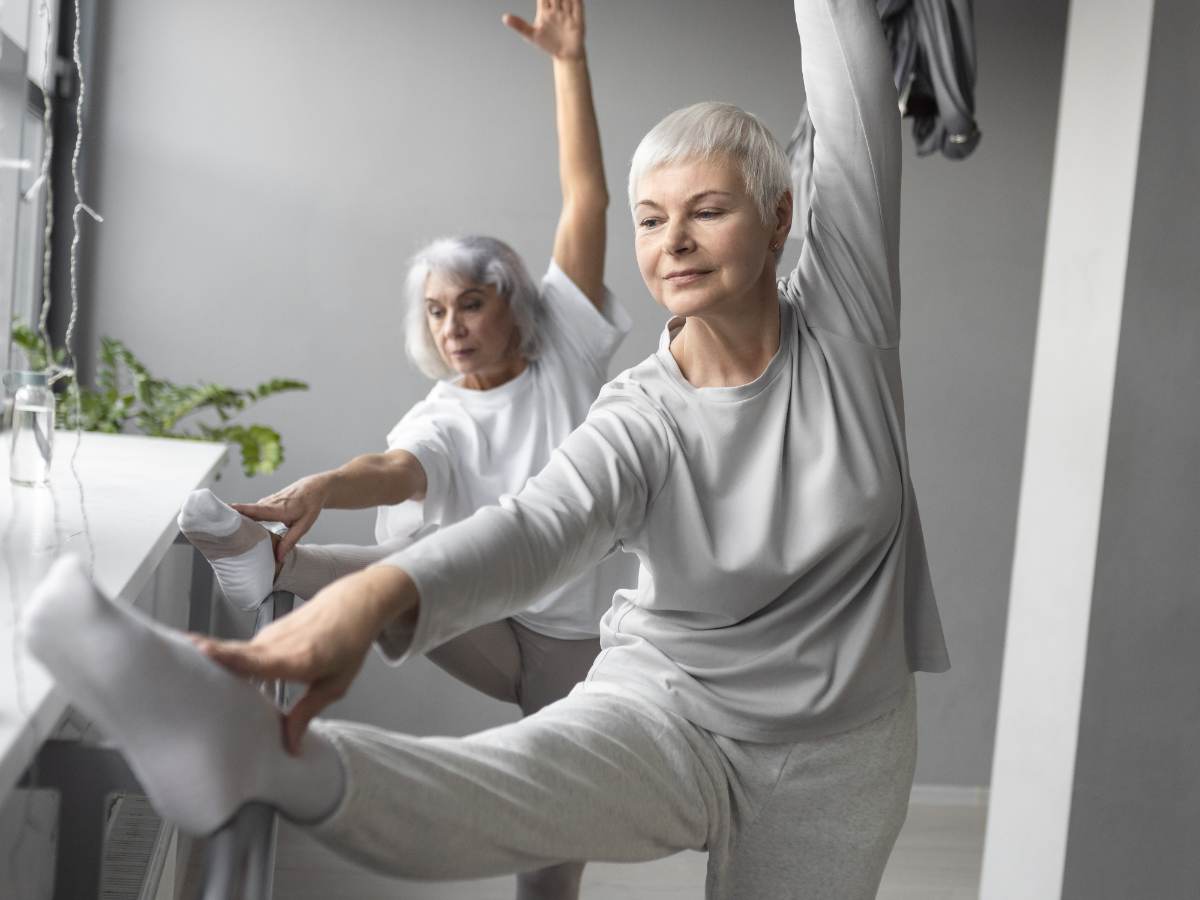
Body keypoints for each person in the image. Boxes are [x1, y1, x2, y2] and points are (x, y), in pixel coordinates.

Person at [24, 0, 951, 896]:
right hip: (673, 702)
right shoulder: (639, 414)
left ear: (780, 220)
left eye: (708, 211)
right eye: (651, 218)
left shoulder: (846, 324)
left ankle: (270, 676)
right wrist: (373, 599)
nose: (674, 242)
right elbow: (534, 528)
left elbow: (849, 90)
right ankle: (261, 756)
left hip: (842, 751)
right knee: (514, 782)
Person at [174, 4, 631, 897]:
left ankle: (271, 563)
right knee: (409, 554)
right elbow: (395, 472)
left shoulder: (570, 342)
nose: (452, 326)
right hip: (489, 623)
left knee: (552, 846)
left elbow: (589, 199)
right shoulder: (443, 412)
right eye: (435, 310)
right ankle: (265, 555)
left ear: (512, 301)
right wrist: (318, 488)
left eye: (469, 303)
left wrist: (568, 62)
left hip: (577, 643)